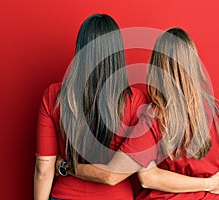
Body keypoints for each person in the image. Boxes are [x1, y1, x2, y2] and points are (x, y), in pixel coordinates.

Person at [55, 27, 219, 199]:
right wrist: (207, 184)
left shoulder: (156, 116)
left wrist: (66, 166)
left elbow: (144, 177)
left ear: (158, 69)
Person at [34, 14, 147, 200]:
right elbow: (123, 172)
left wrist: (64, 166)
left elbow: (43, 169)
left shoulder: (54, 96)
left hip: (65, 195)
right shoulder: (135, 101)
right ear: (117, 52)